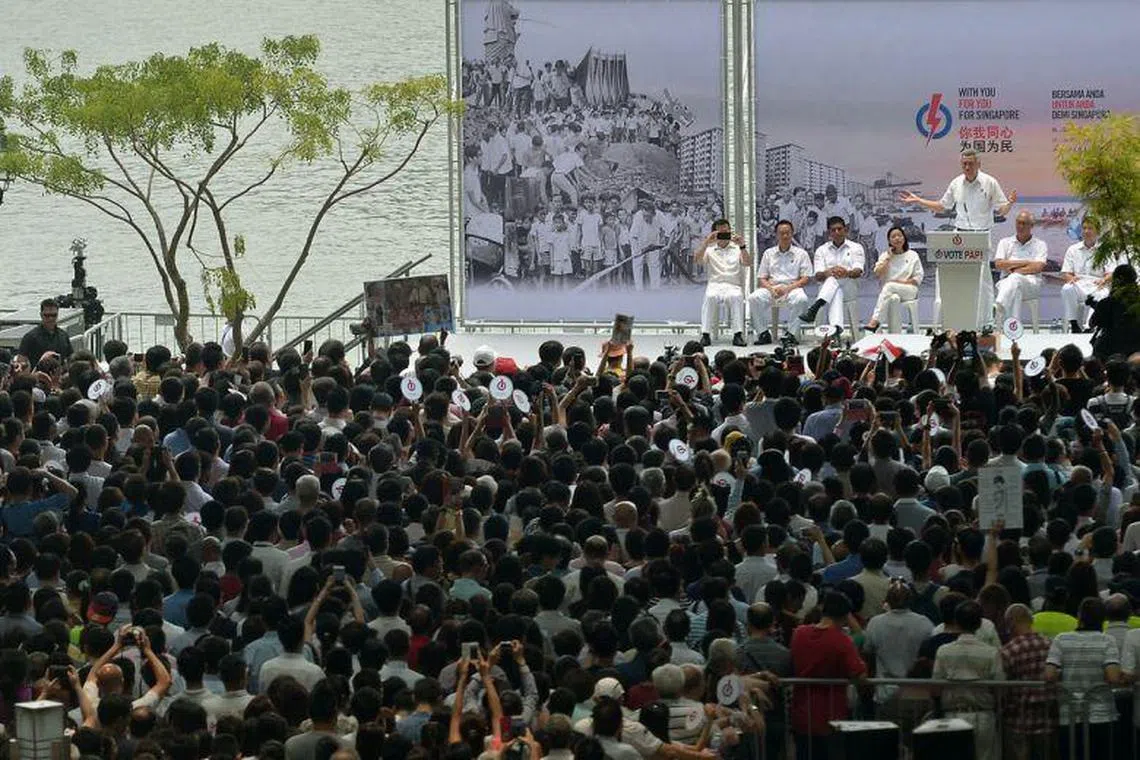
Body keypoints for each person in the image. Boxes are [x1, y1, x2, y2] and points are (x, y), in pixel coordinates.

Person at [898, 148, 1017, 325]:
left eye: (970, 164)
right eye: (964, 164)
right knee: (958, 277)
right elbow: (941, 206)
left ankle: (985, 322)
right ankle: (959, 319)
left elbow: (1002, 209)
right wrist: (918, 201)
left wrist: (1010, 203)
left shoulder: (990, 182)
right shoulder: (956, 183)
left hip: (981, 236)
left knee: (983, 280)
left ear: (978, 164)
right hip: (960, 236)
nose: (967, 167)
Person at [748, 219, 812, 345]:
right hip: (772, 288)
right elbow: (761, 278)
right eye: (781, 233)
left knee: (802, 300)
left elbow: (805, 278)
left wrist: (787, 289)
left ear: (792, 233)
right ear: (776, 235)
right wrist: (771, 289)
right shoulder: (768, 253)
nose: (785, 236)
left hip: (792, 288)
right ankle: (763, 333)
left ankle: (791, 334)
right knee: (753, 298)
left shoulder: (801, 254)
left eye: (788, 233)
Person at [798, 216, 864, 330]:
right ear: (829, 233)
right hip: (828, 290)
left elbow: (858, 271)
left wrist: (846, 272)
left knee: (833, 282)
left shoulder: (856, 248)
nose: (837, 232)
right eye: (833, 230)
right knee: (835, 288)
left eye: (839, 229)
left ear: (845, 230)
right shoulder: (821, 250)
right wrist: (828, 272)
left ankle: (815, 307)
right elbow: (818, 276)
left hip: (849, 287)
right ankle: (837, 328)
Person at [693, 219, 750, 348]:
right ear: (714, 233)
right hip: (715, 284)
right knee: (710, 297)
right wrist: (706, 242)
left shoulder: (737, 248)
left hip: (733, 285)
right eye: (720, 232)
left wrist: (742, 246)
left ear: (730, 231)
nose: (724, 235)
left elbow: (747, 263)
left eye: (726, 231)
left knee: (736, 297)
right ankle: (706, 335)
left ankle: (737, 335)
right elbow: (697, 260)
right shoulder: (710, 249)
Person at [862, 226, 924, 333]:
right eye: (893, 237)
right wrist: (888, 258)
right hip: (889, 293)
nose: (897, 238)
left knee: (889, 286)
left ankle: (875, 321)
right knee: (894, 297)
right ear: (889, 241)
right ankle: (895, 334)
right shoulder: (885, 256)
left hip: (909, 290)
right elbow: (878, 273)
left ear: (904, 238)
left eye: (899, 235)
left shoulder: (913, 255)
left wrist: (898, 283)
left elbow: (917, 278)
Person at [1060, 216, 1116, 334]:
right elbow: (1066, 272)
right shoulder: (1073, 249)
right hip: (1079, 284)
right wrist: (1070, 278)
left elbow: (1111, 273)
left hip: (1097, 284)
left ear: (1097, 231)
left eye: (1090, 228)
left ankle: (1089, 326)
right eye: (1084, 228)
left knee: (1103, 294)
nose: (1086, 231)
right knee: (1066, 288)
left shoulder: (1104, 250)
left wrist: (1104, 280)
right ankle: (1074, 324)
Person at [992, 211, 1048, 325]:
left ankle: (998, 304)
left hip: (1031, 284)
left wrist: (1012, 268)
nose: (1020, 226)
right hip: (1006, 282)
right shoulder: (1005, 242)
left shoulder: (1040, 244)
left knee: (1015, 277)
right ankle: (1014, 329)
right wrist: (1026, 262)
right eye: (1018, 223)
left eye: (1024, 223)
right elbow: (998, 264)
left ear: (1031, 226)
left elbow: (1038, 267)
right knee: (1016, 290)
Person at [1089, 263, 1140, 359]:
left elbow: (1092, 323)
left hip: (1112, 350)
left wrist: (1098, 307)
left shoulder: (1108, 302)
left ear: (1117, 280)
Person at [17, 298, 73, 368]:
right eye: (47, 315)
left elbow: (70, 359)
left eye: (54, 315)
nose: (51, 318)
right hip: (38, 376)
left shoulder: (63, 335)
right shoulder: (30, 337)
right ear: (41, 315)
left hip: (59, 375)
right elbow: (21, 362)